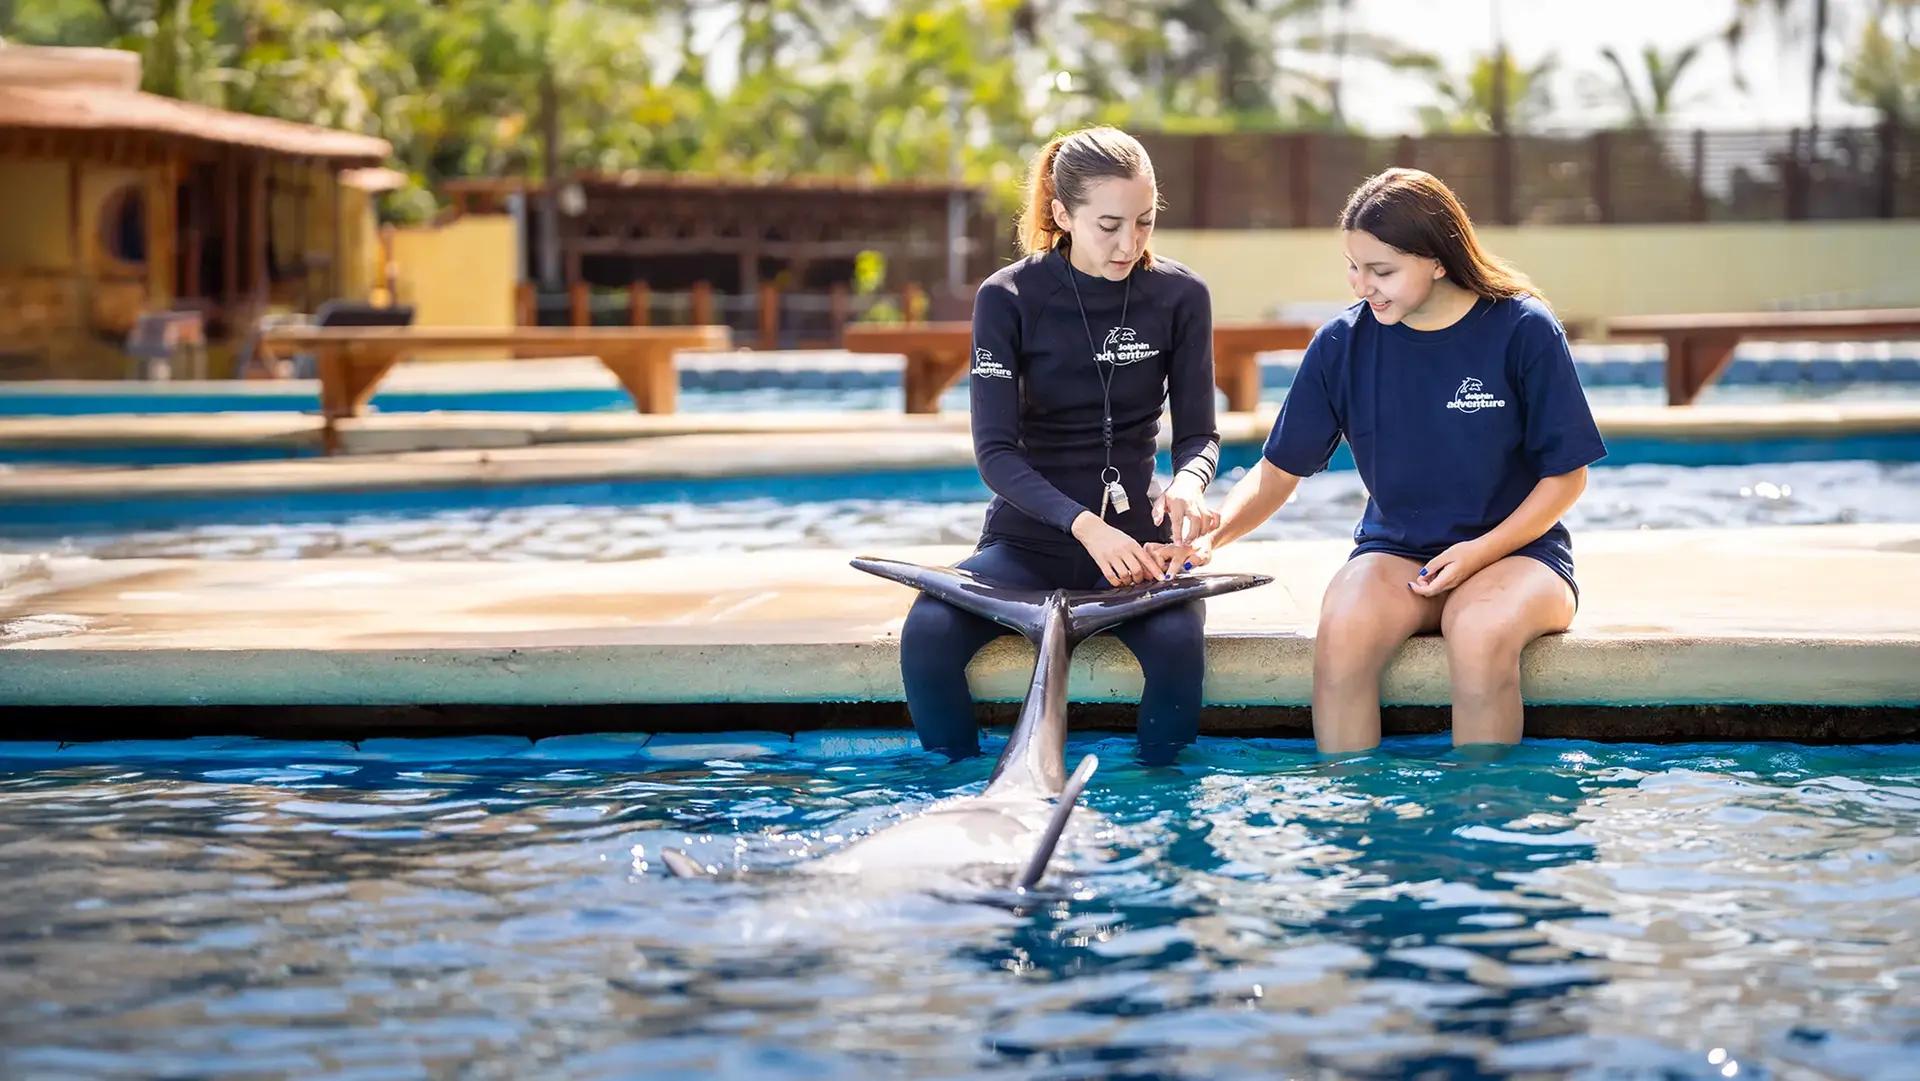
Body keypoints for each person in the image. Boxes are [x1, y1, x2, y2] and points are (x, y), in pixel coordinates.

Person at [1172, 167, 1607, 754]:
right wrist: (1207, 540)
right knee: (1342, 637)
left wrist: (1479, 552)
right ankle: (1362, 825)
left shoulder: (1522, 329)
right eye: (1354, 267)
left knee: (1477, 633)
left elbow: (1566, 477)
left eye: (1382, 271)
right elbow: (1278, 471)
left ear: (1436, 258)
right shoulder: (1341, 344)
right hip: (1398, 556)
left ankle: (1484, 823)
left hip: (1519, 556)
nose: (1362, 286)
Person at [898, 125, 1222, 766]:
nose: (1129, 244)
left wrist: (1190, 482)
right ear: (1061, 214)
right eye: (1108, 225)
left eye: (1145, 222)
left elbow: (1198, 436)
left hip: (1137, 548)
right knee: (928, 633)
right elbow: (995, 454)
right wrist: (1084, 527)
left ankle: (1159, 801)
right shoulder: (1009, 297)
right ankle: (958, 793)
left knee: (1180, 647)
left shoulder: (1182, 296)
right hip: (1025, 544)